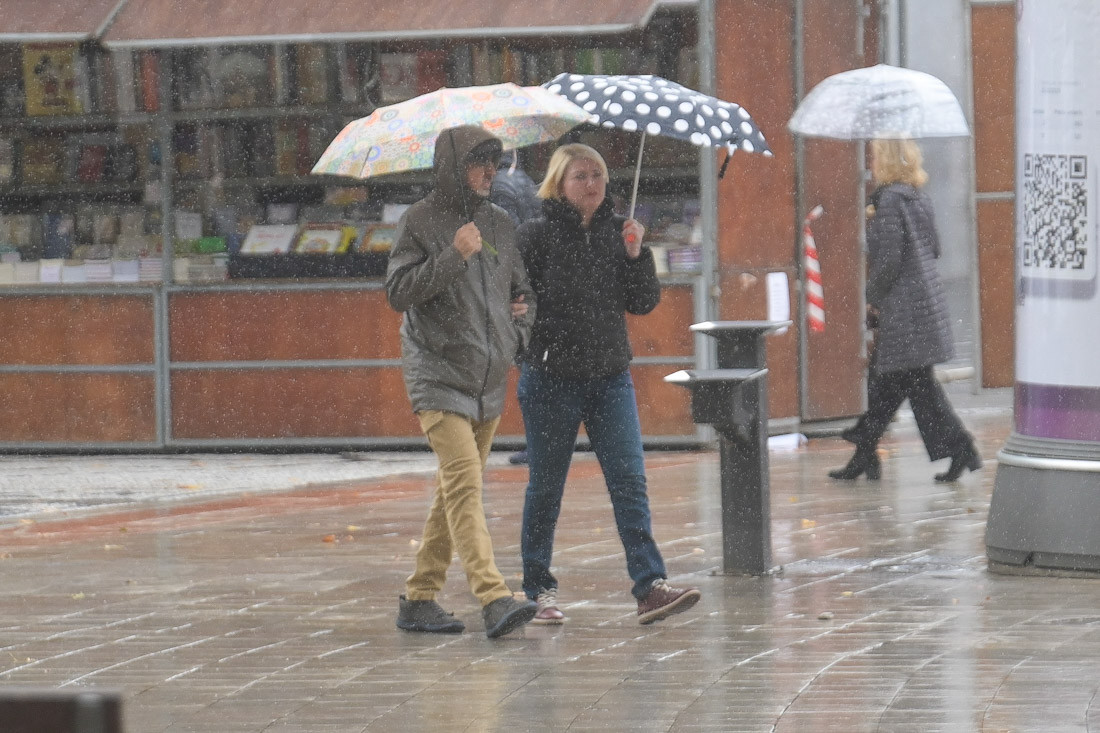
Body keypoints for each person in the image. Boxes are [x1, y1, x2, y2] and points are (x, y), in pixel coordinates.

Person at [516, 143, 701, 625]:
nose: (593, 183)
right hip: (551, 378)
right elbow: (514, 301)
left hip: (609, 377)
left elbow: (642, 303)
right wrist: (529, 332)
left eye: (598, 174)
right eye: (581, 175)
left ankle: (649, 586)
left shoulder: (619, 233)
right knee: (546, 488)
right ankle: (538, 589)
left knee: (629, 481)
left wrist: (638, 256)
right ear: (559, 182)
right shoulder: (534, 236)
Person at [385, 125, 538, 639]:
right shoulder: (420, 220)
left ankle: (420, 597)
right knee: (466, 486)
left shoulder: (500, 222)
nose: (490, 171)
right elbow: (399, 292)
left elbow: (523, 293)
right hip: (438, 375)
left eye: (495, 161)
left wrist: (519, 327)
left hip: (488, 379)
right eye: (479, 161)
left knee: (454, 489)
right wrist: (454, 255)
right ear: (453, 167)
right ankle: (493, 596)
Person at [829, 137, 982, 483]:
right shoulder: (918, 198)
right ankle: (865, 450)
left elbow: (889, 261)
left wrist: (872, 296)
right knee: (891, 384)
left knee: (910, 386)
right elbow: (935, 248)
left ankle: (959, 448)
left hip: (903, 313)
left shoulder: (889, 202)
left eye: (876, 157)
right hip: (924, 306)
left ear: (885, 162)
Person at [490, 150, 543, 466]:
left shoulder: (498, 187)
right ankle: (540, 441)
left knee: (528, 363)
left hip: (519, 284)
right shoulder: (525, 181)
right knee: (532, 361)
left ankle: (537, 443)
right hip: (532, 280)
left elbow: (505, 237)